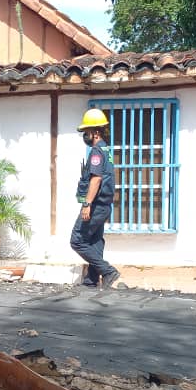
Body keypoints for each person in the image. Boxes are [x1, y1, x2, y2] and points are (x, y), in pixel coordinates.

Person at [70, 108, 119, 288]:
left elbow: (96, 179)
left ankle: (108, 271)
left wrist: (87, 204)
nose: (85, 136)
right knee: (94, 241)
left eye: (86, 132)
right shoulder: (106, 149)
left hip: (96, 205)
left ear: (96, 132)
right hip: (105, 205)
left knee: (77, 240)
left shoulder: (97, 151)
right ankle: (91, 280)